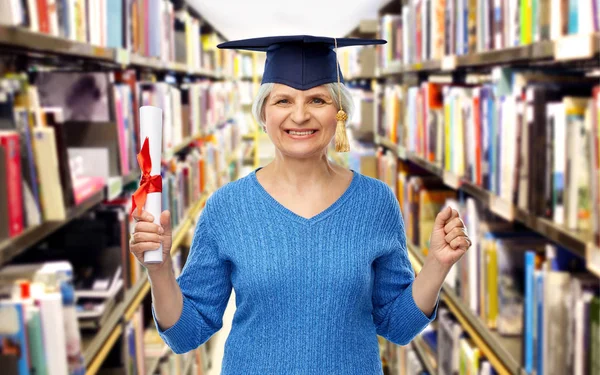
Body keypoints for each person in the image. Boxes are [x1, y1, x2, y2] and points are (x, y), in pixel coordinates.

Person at [129, 35, 471, 374]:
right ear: (263, 113)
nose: (300, 115)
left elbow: (397, 325)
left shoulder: (376, 202)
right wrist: (158, 270)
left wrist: (437, 266)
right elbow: (186, 334)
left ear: (340, 113)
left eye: (318, 100)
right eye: (282, 101)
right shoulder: (227, 207)